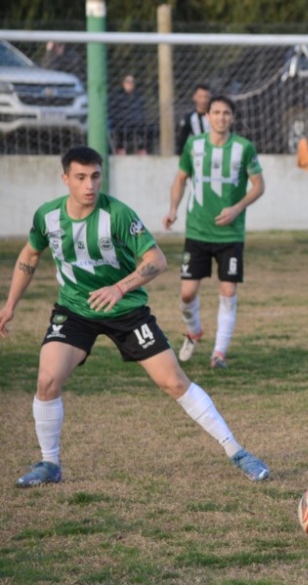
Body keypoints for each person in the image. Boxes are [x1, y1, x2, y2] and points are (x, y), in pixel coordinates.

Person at [0, 146, 270, 488]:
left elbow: (156, 260)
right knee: (46, 381)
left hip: (127, 312)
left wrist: (120, 288)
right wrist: (10, 305)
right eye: (81, 177)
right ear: (65, 178)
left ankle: (238, 452)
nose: (89, 185)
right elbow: (30, 253)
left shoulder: (118, 215)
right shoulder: (48, 216)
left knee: (174, 382)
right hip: (75, 311)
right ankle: (49, 463)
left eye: (95, 176)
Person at [163, 95, 265, 370]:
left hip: (230, 235)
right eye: (216, 112)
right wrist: (173, 208)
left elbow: (258, 185)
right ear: (207, 116)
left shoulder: (243, 148)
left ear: (232, 117)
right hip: (197, 230)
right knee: (187, 293)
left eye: (226, 113)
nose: (221, 117)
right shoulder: (193, 146)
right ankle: (194, 331)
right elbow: (181, 178)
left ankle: (219, 353)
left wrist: (237, 208)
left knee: (228, 290)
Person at [109, 74, 149, 155]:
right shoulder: (117, 96)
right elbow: (114, 112)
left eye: (132, 82)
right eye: (127, 81)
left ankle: (141, 150)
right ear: (123, 83)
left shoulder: (138, 96)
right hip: (122, 122)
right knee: (120, 129)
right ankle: (120, 150)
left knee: (144, 129)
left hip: (135, 122)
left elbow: (141, 112)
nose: (130, 84)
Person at [175, 84, 211, 155]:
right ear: (194, 97)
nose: (203, 100)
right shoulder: (188, 119)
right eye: (200, 97)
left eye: (206, 97)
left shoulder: (215, 117)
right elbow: (182, 140)